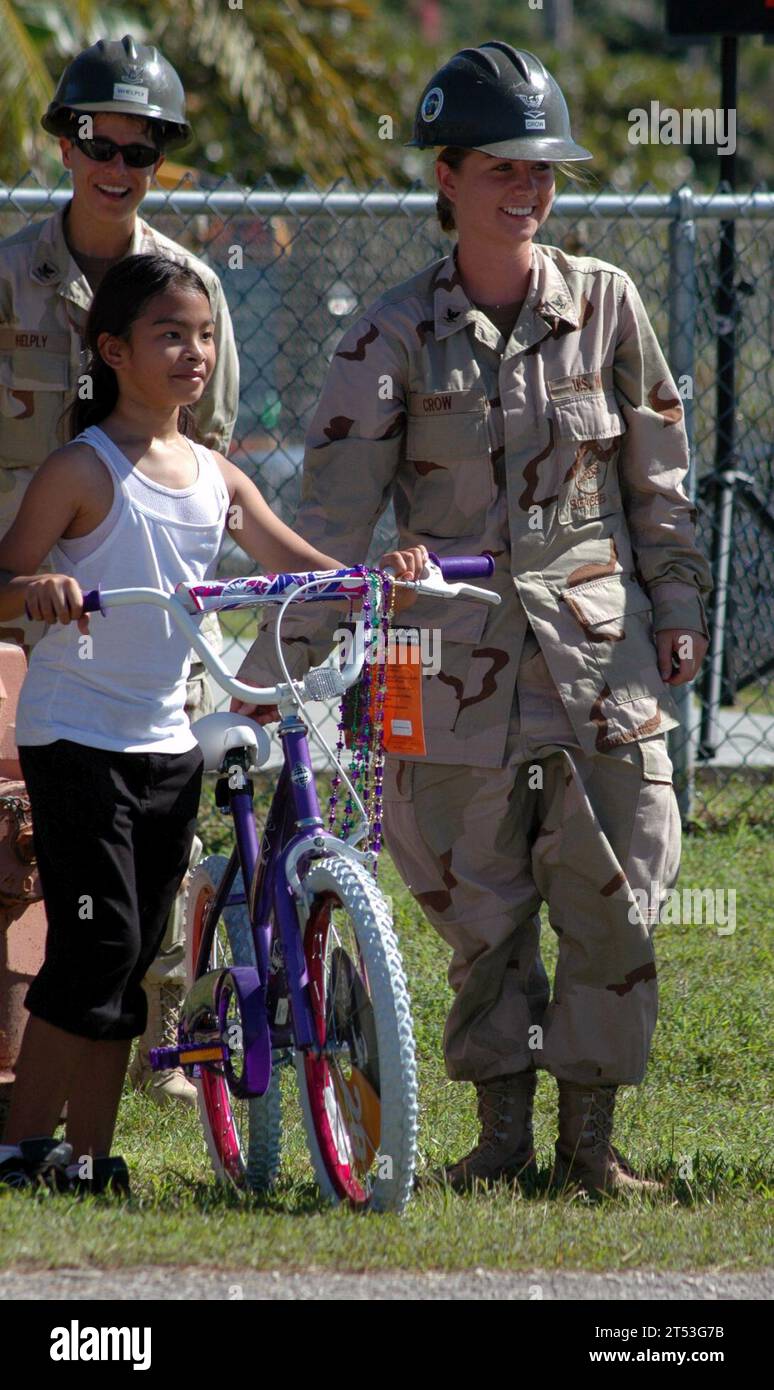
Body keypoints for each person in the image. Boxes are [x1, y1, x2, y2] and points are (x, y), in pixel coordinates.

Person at [233, 43, 713, 1197]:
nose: (527, 189)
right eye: (501, 166)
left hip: (601, 661)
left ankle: (589, 1151)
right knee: (478, 911)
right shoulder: (388, 337)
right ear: (446, 177)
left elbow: (659, 476)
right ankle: (500, 1146)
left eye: (542, 168)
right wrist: (276, 677)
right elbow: (333, 525)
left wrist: (682, 603)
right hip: (444, 665)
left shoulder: (607, 305)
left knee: (621, 890)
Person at [0, 253, 425, 1192]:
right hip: (76, 741)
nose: (194, 352)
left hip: (163, 743)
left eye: (203, 336)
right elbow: (5, 581)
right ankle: (21, 1147)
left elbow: (298, 559)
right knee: (95, 942)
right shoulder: (83, 468)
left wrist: (375, 573)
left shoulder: (216, 476)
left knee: (134, 948)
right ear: (112, 351)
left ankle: (91, 1158)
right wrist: (45, 588)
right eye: (169, 336)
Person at [0, 35, 240, 1104]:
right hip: (17, 605)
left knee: (156, 832)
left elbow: (210, 456)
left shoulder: (188, 290)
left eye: (144, 148)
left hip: (141, 606)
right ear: (63, 139)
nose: (118, 161)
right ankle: (26, 1055)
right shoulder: (6, 274)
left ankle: (148, 1050)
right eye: (99, 135)